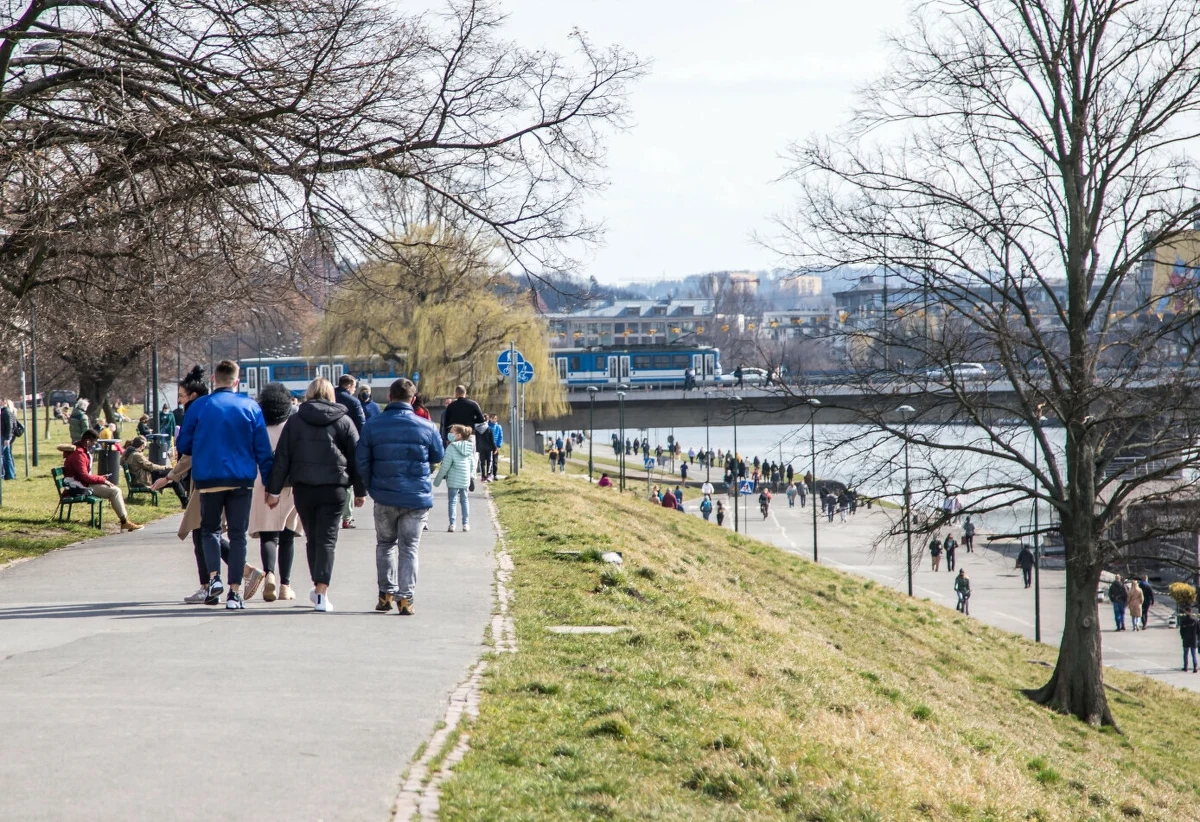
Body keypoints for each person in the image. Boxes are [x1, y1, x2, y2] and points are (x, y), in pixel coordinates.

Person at [176, 359, 274, 610]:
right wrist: (271, 487)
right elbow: (263, 450)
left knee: (210, 530)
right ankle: (234, 593)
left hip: (209, 478)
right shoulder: (250, 407)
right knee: (238, 534)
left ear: (213, 380)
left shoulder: (199, 407)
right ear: (236, 381)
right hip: (241, 478)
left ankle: (214, 579)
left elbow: (184, 445)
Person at [266, 377, 365, 613]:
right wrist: (360, 491)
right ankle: (322, 592)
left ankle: (317, 585)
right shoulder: (344, 420)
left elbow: (282, 457)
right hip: (335, 488)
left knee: (312, 538)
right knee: (328, 540)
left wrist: (274, 490)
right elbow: (356, 458)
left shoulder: (295, 420)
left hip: (305, 489)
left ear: (309, 394)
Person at [356, 378, 443, 614]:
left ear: (390, 398)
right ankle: (406, 599)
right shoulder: (427, 426)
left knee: (385, 544)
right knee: (409, 547)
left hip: (384, 495)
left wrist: (371, 485)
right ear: (413, 399)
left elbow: (361, 460)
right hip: (416, 498)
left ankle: (385, 595)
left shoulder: (373, 425)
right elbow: (437, 455)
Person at [248, 383, 302, 603]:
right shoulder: (292, 426)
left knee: (269, 535)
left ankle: (269, 573)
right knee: (288, 535)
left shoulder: (257, 425)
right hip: (289, 484)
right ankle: (285, 586)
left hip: (262, 481)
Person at [62, 429, 143, 531]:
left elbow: (84, 475)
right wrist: (102, 480)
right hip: (80, 486)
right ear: (88, 441)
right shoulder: (79, 455)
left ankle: (125, 521)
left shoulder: (81, 452)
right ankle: (124, 522)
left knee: (115, 490)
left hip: (82, 483)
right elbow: (84, 476)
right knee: (115, 491)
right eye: (94, 443)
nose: (95, 446)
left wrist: (101, 478)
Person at [334, 374, 366, 529]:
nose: (354, 391)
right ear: (349, 386)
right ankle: (347, 516)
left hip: (330, 443)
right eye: (354, 387)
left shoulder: (330, 396)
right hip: (348, 444)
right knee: (348, 480)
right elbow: (362, 425)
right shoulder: (354, 402)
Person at [121, 436, 188, 507]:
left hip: (141, 476)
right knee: (174, 480)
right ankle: (185, 502)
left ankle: (185, 498)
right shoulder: (136, 455)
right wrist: (165, 467)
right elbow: (151, 466)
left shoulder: (129, 453)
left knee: (173, 474)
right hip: (143, 479)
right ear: (142, 445)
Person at [433, 424, 475, 532]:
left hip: (453, 479)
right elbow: (472, 463)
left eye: (452, 432)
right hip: (465, 478)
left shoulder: (451, 447)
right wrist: (471, 476)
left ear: (459, 435)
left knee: (452, 501)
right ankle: (466, 524)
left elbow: (446, 465)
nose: (449, 434)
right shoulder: (470, 447)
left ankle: (452, 524)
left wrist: (437, 480)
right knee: (465, 500)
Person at [475, 414, 496, 482]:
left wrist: (477, 448)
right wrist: (494, 448)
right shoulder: (489, 429)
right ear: (487, 420)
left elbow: (476, 440)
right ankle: (489, 475)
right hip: (489, 448)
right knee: (489, 461)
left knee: (482, 462)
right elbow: (492, 440)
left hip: (481, 448)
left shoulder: (477, 430)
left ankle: (483, 476)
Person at [1179, 606, 1199, 672]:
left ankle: (1185, 667)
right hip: (1193, 639)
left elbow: (1181, 631)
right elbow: (1198, 631)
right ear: (1191, 612)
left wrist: (1183, 637)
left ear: (1185, 612)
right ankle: (1195, 667)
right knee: (1194, 654)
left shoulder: (1183, 621)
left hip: (1186, 639)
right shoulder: (1195, 621)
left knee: (1185, 654)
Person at [0, 398, 15, 480]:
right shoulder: (4, 412)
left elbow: (10, 426)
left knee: (3, 456)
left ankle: (2, 474)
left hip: (4, 436)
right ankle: (9, 475)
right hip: (4, 436)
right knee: (6, 455)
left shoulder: (6, 412)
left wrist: (7, 438)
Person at [487, 414, 504, 479]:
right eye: (493, 418)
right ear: (490, 419)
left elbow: (500, 436)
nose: (494, 420)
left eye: (495, 418)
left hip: (496, 446)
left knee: (495, 461)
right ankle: (489, 474)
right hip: (489, 446)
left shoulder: (498, 427)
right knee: (489, 461)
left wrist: (499, 446)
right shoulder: (487, 426)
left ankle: (495, 474)